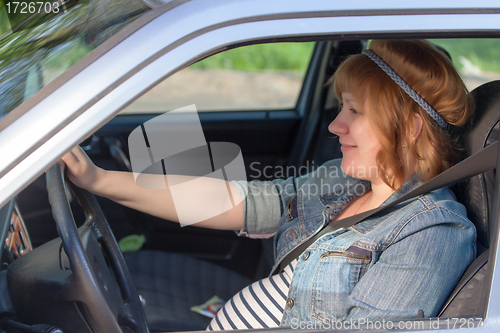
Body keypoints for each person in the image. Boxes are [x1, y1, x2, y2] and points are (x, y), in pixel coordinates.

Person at [62, 39, 476, 329]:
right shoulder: (341, 182)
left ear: (409, 128)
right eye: (340, 108)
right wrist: (98, 179)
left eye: (354, 111)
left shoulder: (432, 233)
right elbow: (233, 201)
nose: (335, 125)